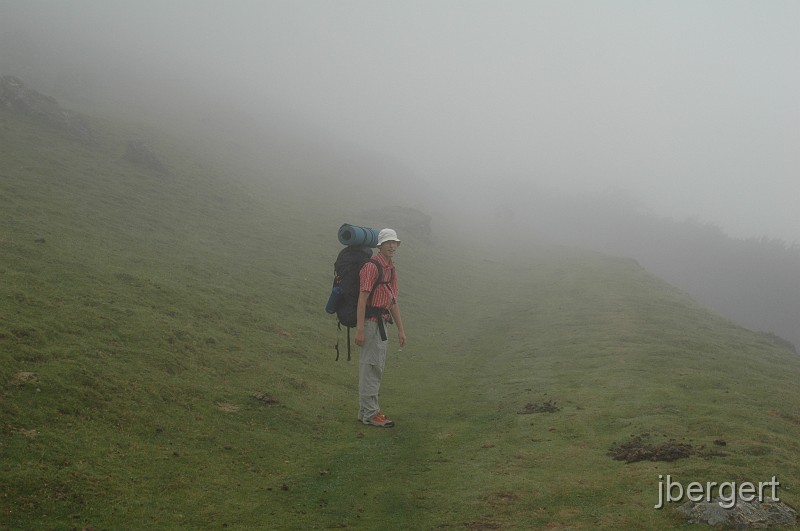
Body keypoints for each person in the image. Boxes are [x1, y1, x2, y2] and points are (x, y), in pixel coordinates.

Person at [354, 228, 407, 427]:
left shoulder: (391, 267)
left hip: (383, 323)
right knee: (371, 367)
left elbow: (392, 301)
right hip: (370, 323)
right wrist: (360, 330)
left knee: (375, 366)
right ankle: (370, 414)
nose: (392, 246)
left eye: (395, 242)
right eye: (388, 242)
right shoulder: (372, 267)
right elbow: (362, 299)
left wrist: (401, 329)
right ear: (381, 245)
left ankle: (365, 411)